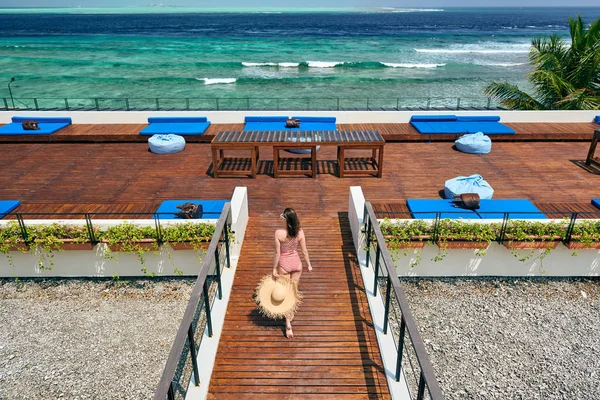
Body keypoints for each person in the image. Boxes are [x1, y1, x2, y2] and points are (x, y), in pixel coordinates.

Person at [272, 208, 312, 339]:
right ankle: (291, 313)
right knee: (293, 291)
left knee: (285, 293)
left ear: (285, 219)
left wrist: (274, 269)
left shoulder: (279, 233)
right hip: (296, 263)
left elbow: (278, 253)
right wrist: (309, 264)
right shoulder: (299, 232)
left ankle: (288, 322)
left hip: (284, 264)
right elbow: (304, 251)